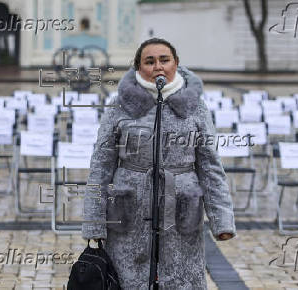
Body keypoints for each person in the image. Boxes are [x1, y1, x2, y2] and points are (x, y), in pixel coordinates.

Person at [82, 38, 236, 289]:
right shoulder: (120, 105)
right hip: (128, 208)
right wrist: (94, 221)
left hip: (181, 207)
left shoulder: (195, 106)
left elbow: (210, 166)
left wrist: (222, 220)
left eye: (164, 60)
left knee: (181, 278)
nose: (158, 67)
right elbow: (101, 164)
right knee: (127, 277)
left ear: (176, 63)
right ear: (138, 67)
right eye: (149, 61)